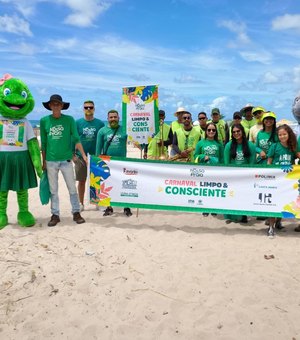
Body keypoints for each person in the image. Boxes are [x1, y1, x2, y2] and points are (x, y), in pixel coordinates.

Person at [40, 94, 86, 227]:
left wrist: (82, 154)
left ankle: (76, 212)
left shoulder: (69, 120)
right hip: (50, 161)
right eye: (53, 103)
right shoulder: (44, 121)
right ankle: (55, 215)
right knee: (53, 190)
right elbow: (43, 143)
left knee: (72, 188)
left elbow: (76, 138)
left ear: (62, 106)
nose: (55, 105)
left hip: (66, 160)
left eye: (58, 103)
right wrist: (43, 162)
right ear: (49, 106)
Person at [95, 109, 132, 217]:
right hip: (107, 163)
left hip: (122, 162)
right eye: (111, 117)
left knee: (124, 185)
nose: (113, 119)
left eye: (115, 117)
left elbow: (135, 139)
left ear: (119, 118)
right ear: (108, 119)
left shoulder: (124, 129)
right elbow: (98, 149)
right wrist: (97, 162)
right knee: (108, 185)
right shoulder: (102, 131)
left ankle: (126, 207)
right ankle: (109, 207)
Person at [267, 124, 300, 235]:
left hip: (287, 181)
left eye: (284, 134)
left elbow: (297, 158)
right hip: (275, 180)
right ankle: (270, 227)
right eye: (280, 135)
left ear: (289, 134)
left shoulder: (293, 147)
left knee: (284, 202)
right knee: (273, 203)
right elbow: (269, 163)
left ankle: (279, 223)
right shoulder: (274, 146)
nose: (282, 136)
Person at [74, 100, 104, 211]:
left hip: (95, 157)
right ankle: (81, 204)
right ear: (83, 109)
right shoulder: (77, 123)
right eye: (86, 107)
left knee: (96, 180)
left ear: (94, 109)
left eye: (90, 107)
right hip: (80, 157)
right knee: (81, 181)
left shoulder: (100, 123)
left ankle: (96, 202)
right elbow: (73, 139)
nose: (88, 109)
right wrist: (73, 155)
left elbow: (103, 139)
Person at [224, 123, 256, 224]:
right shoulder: (229, 145)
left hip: (246, 175)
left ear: (242, 131)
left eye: (238, 131)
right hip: (232, 175)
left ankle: (243, 215)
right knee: (232, 195)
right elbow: (226, 162)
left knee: (243, 196)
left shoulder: (250, 145)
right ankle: (231, 216)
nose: (236, 133)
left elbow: (252, 161)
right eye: (234, 132)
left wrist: (249, 174)